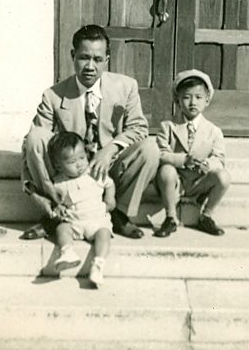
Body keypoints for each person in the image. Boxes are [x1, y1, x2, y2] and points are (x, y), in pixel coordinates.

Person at [21, 24, 159, 239]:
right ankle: (55, 213)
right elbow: (30, 147)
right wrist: (32, 190)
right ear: (72, 55)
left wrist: (111, 149)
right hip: (70, 171)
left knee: (150, 148)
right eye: (84, 58)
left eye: (97, 59)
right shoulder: (53, 96)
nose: (90, 66)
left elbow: (139, 129)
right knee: (35, 136)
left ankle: (118, 214)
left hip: (110, 167)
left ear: (107, 60)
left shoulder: (126, 87)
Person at [154, 69, 231, 237]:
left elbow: (219, 159)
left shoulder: (214, 131)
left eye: (198, 97)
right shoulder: (168, 126)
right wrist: (183, 160)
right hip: (176, 182)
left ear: (207, 100)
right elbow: (161, 154)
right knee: (166, 170)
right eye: (186, 97)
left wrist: (208, 165)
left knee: (223, 176)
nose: (192, 103)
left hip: (199, 182)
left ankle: (206, 216)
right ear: (177, 100)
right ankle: (171, 217)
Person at [47, 132, 114, 286]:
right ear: (58, 166)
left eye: (82, 158)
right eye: (72, 162)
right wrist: (58, 208)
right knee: (62, 228)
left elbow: (109, 184)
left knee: (104, 233)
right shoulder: (58, 183)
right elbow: (54, 202)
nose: (79, 164)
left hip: (97, 222)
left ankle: (98, 264)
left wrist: (110, 198)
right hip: (74, 222)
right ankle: (67, 251)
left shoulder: (94, 173)